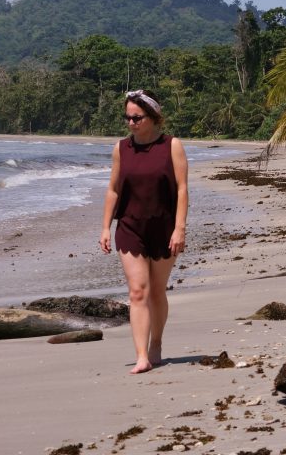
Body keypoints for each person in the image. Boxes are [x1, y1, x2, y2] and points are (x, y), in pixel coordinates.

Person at [99, 89, 188, 373]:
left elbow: (183, 189)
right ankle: (141, 356)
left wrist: (179, 228)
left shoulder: (172, 146)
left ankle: (157, 343)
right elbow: (113, 190)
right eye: (127, 117)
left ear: (152, 117)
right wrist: (104, 227)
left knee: (157, 292)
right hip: (129, 226)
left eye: (136, 117)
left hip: (164, 227)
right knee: (138, 292)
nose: (131, 123)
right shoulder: (120, 149)